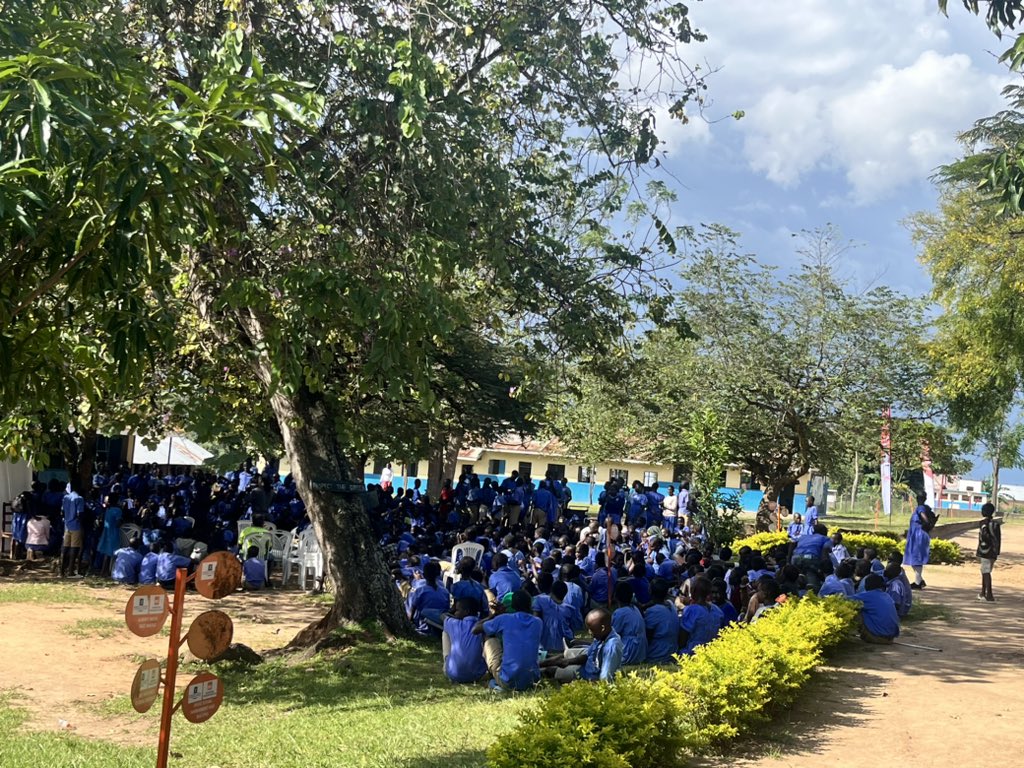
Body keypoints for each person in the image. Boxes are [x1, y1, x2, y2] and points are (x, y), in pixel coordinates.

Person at [474, 589, 543, 691]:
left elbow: (476, 629)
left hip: (509, 680)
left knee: (488, 636)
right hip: (531, 680)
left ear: (513, 605)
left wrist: (494, 615)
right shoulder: (538, 622)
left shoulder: (504, 619)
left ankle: (492, 678)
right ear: (530, 604)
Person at [542, 607, 623, 683]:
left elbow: (605, 678)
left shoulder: (611, 647)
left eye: (591, 629)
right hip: (586, 668)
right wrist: (569, 662)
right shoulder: (601, 636)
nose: (589, 632)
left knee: (550, 671)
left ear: (602, 628)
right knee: (559, 661)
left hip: (589, 676)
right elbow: (588, 655)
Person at [442, 598, 488, 684]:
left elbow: (442, 616)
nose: (455, 612)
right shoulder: (483, 625)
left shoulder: (454, 623)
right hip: (478, 674)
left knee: (445, 631)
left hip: (453, 674)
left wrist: (451, 611)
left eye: (457, 610)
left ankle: (447, 664)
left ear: (466, 611)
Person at [850, 573, 900, 644]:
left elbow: (844, 600)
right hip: (890, 637)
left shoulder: (867, 596)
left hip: (877, 637)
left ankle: (847, 633)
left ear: (867, 585)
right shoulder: (886, 595)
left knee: (856, 609)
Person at [679, 576, 723, 654]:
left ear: (693, 591)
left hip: (693, 651)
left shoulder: (692, 610)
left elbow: (683, 636)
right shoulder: (717, 610)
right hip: (712, 651)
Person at [407, 560, 451, 635]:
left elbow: (412, 608)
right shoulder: (445, 591)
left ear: (423, 575)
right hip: (440, 623)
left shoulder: (420, 590)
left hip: (424, 624)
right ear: (438, 574)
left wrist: (409, 622)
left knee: (410, 599)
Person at [533, 577, 574, 654]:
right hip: (563, 648)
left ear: (551, 591)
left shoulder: (540, 600)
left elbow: (535, 619)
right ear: (565, 594)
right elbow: (573, 627)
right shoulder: (570, 609)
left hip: (544, 646)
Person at [611, 582, 648, 664]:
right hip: (641, 649)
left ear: (616, 596)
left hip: (629, 648)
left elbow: (613, 634)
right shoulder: (635, 608)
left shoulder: (620, 612)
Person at [643, 578, 678, 663]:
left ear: (650, 591)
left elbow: (647, 637)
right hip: (672, 650)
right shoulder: (670, 605)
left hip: (658, 653)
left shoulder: (653, 611)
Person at [905, 492, 932, 589]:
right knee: (914, 558)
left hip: (918, 535)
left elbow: (923, 516)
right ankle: (919, 580)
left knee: (916, 558)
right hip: (917, 534)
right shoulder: (923, 507)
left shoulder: (921, 508)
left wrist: (926, 522)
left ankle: (918, 582)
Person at [60, 479, 85, 577]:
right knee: (74, 549)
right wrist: (82, 526)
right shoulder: (79, 499)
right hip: (76, 526)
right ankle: (70, 571)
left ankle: (61, 571)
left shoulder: (65, 497)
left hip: (67, 526)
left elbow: (62, 512)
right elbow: (80, 514)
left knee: (65, 548)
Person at [977, 501, 1001, 602]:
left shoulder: (983, 523)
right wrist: (997, 551)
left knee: (986, 572)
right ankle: (983, 592)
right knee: (985, 571)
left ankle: (989, 594)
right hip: (993, 551)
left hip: (985, 551)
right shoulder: (996, 524)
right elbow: (998, 539)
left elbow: (984, 537)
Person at [96, 493, 123, 576]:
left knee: (106, 554)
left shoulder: (108, 509)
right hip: (114, 532)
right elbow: (118, 523)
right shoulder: (118, 511)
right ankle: (109, 571)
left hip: (106, 532)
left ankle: (103, 571)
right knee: (112, 553)